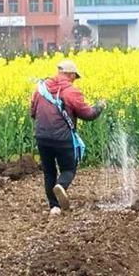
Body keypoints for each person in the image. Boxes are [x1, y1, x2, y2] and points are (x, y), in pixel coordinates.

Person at [30, 59, 106, 215]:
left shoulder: (40, 89)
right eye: (74, 77)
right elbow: (88, 114)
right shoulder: (71, 91)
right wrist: (99, 106)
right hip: (62, 139)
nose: (74, 80)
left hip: (42, 137)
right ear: (70, 74)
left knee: (49, 171)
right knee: (68, 169)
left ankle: (54, 207)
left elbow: (32, 112)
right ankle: (61, 186)